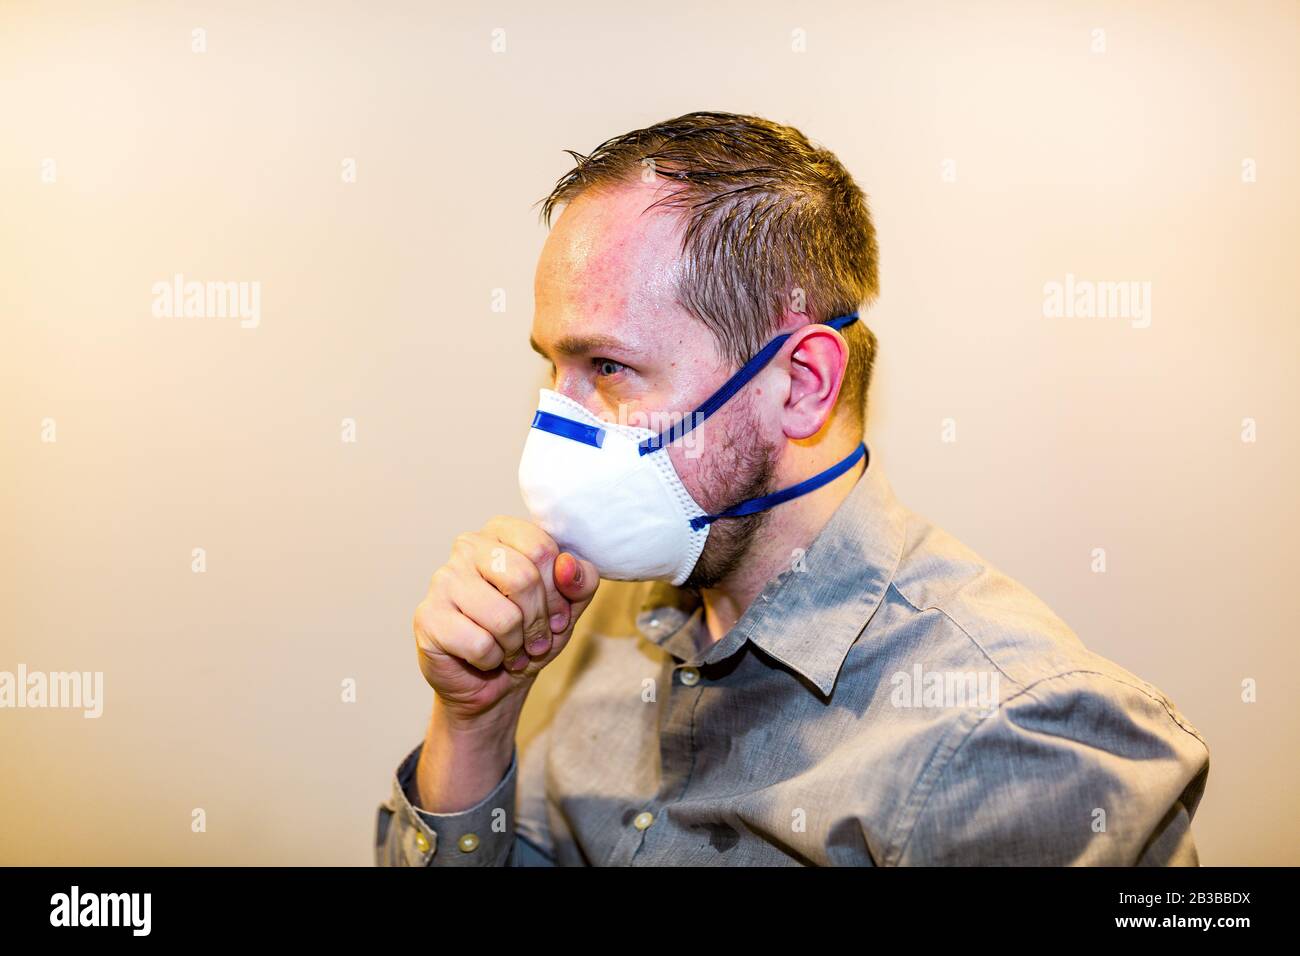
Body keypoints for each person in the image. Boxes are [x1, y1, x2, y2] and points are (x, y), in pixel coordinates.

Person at [374, 111, 1209, 866]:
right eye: (553, 369)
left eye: (609, 367)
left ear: (802, 384)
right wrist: (475, 723)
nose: (556, 428)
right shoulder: (611, 620)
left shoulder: (1013, 737)